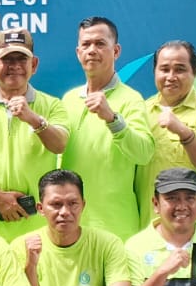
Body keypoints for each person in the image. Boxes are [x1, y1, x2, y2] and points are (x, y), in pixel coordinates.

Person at [0, 28, 69, 240]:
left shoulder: (52, 105)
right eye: (7, 59)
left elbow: (59, 144)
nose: (14, 66)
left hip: (38, 227)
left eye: (22, 59)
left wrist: (33, 119)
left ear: (34, 65)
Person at [60, 17, 153, 241]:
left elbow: (144, 153)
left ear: (116, 51)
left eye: (100, 43)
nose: (92, 50)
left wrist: (112, 119)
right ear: (78, 52)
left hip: (116, 226)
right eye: (86, 44)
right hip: (71, 224)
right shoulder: (68, 99)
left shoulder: (131, 99)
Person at [15, 170, 133, 286]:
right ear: (40, 208)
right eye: (56, 204)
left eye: (73, 203)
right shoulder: (21, 246)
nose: (65, 211)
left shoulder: (108, 243)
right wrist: (31, 266)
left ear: (83, 205)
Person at [138, 39, 196, 229]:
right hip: (150, 227)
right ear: (155, 72)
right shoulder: (142, 110)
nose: (171, 76)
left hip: (195, 227)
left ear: (194, 72)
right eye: (164, 69)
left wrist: (183, 131)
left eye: (179, 69)